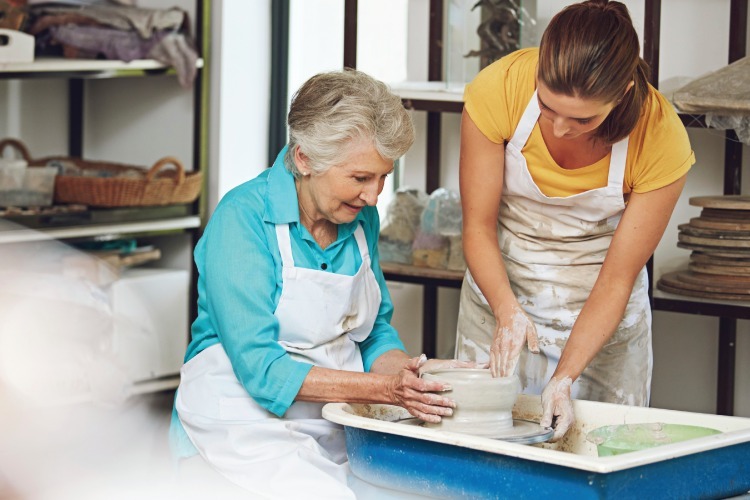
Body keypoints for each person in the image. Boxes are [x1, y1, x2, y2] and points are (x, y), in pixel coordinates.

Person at [169, 69, 471, 499]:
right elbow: (262, 371)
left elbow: (374, 334)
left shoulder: (357, 215)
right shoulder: (242, 219)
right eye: (361, 178)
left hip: (332, 415)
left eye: (384, 177)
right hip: (238, 421)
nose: (374, 196)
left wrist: (412, 376)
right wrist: (387, 391)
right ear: (305, 159)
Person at [455, 0, 694, 442]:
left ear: (622, 92)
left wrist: (564, 377)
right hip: (502, 285)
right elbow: (477, 228)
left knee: (596, 452)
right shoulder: (501, 87)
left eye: (583, 118)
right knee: (483, 450)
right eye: (547, 106)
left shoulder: (660, 136)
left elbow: (616, 280)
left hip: (600, 309)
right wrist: (508, 312)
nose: (561, 128)